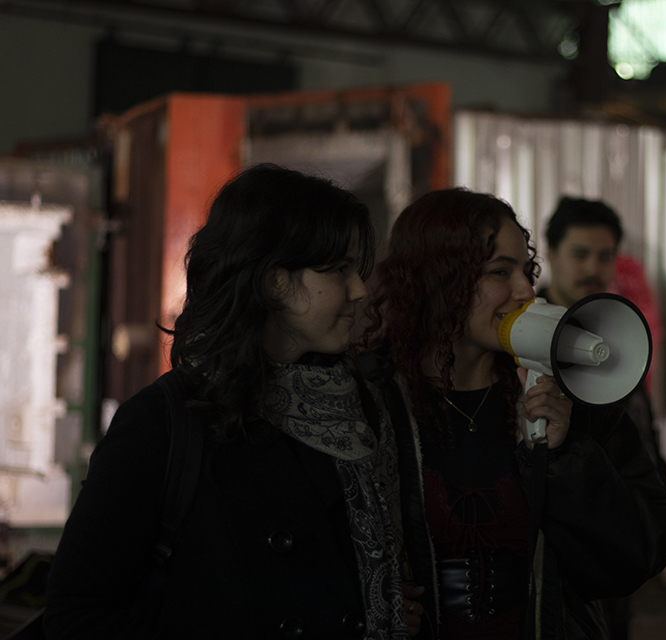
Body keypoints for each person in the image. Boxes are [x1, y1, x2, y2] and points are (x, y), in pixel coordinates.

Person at [44, 164, 423, 639]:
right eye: (338, 270)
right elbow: (77, 616)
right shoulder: (164, 423)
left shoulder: (359, 407)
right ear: (274, 281)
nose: (360, 290)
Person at [361, 188, 666, 639]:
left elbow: (642, 550)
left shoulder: (570, 397)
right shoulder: (370, 403)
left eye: (526, 271)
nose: (525, 291)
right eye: (499, 272)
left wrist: (567, 456)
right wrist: (369, 604)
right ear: (436, 278)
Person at [541, 196, 666, 488]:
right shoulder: (525, 334)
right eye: (580, 255)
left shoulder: (618, 326)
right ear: (551, 254)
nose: (592, 269)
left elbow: (641, 424)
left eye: (605, 257)